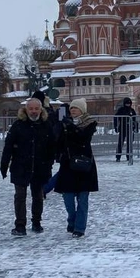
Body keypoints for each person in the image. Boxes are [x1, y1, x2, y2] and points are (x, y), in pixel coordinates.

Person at [0, 97, 56, 236]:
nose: (33, 111)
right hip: (20, 166)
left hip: (39, 166)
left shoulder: (46, 125)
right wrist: (4, 165)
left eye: (36, 108)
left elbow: (52, 147)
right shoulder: (18, 125)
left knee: (37, 195)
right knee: (20, 196)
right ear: (26, 109)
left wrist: (49, 164)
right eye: (31, 108)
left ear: (41, 110)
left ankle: (36, 222)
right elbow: (8, 146)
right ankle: (20, 225)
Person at [54, 98, 99, 237]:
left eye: (76, 108)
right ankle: (71, 219)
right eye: (71, 108)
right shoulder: (64, 123)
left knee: (83, 198)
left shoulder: (90, 123)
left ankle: (79, 228)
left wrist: (70, 126)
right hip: (68, 164)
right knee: (67, 198)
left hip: (84, 164)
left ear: (82, 110)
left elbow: (82, 138)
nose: (73, 110)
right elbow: (58, 139)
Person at [114, 97, 138, 162]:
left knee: (129, 143)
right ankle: (118, 156)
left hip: (130, 129)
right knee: (120, 143)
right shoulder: (121, 110)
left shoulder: (132, 110)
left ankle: (129, 156)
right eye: (127, 103)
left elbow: (135, 119)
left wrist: (136, 128)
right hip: (122, 129)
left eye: (129, 103)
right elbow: (116, 117)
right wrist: (116, 127)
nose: (128, 105)